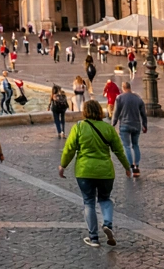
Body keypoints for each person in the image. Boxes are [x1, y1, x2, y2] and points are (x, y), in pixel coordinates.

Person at [59, 100, 130, 248]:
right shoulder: (108, 128)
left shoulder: (78, 127)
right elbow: (119, 150)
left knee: (89, 202)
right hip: (105, 172)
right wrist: (127, 167)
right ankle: (108, 224)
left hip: (84, 171)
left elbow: (69, 149)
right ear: (99, 111)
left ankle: (94, 238)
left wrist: (63, 165)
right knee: (105, 199)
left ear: (85, 112)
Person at [112, 81, 147, 177]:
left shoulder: (120, 98)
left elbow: (116, 113)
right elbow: (143, 113)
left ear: (123, 88)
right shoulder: (138, 98)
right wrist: (145, 125)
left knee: (127, 146)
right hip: (136, 125)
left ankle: (131, 166)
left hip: (124, 125)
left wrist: (113, 124)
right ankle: (137, 166)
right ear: (130, 88)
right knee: (135, 145)